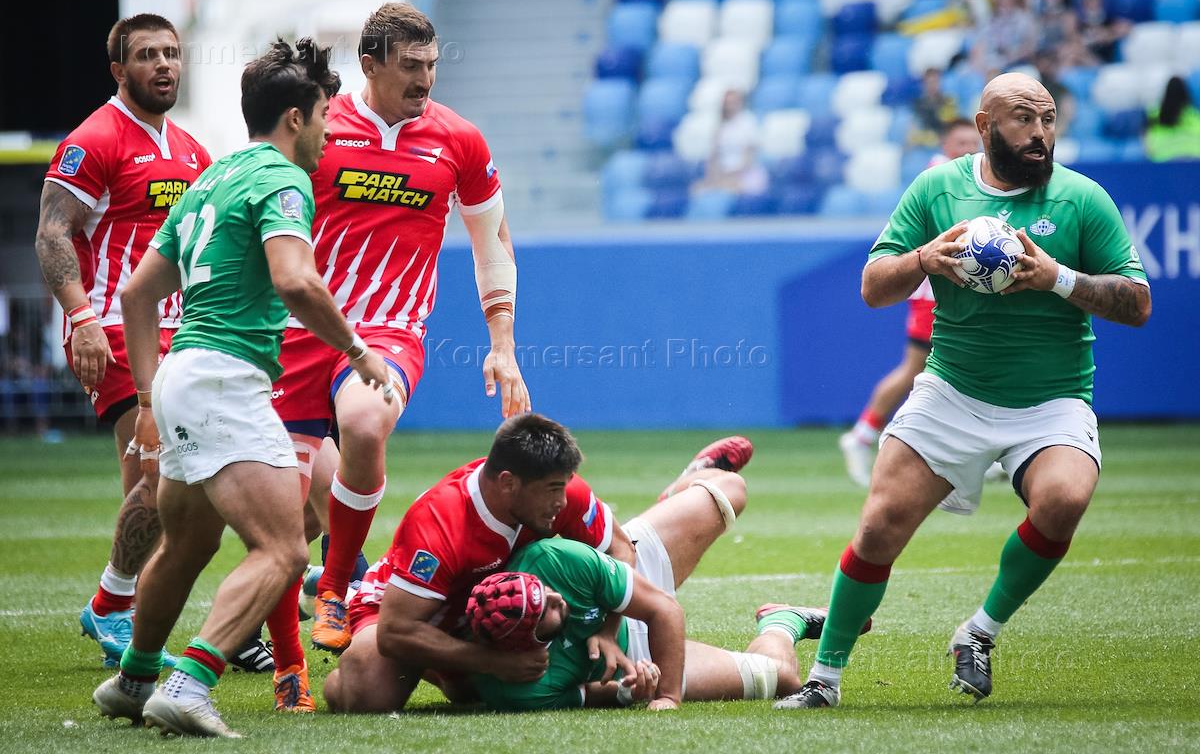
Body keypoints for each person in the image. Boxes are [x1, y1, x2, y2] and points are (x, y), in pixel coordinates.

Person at [779, 72, 1150, 710]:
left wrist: (1057, 279)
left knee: (1064, 499)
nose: (1040, 133)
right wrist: (923, 259)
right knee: (879, 526)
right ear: (984, 126)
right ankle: (824, 680)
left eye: (1048, 119)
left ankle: (978, 631)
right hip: (953, 392)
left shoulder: (1082, 199)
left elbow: (1138, 304)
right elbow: (873, 287)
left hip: (1052, 399)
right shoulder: (936, 189)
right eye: (1023, 120)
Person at [91, 38, 393, 737]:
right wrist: (357, 351)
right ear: (295, 118)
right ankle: (190, 684)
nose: (329, 132)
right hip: (225, 380)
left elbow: (137, 294)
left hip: (180, 375)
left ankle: (135, 679)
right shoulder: (282, 179)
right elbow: (295, 281)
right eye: (324, 116)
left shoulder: (212, 177)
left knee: (188, 545)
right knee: (285, 551)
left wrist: (147, 399)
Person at [263, 2, 531, 658]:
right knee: (279, 520)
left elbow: (492, 244)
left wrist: (502, 346)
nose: (425, 79)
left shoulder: (459, 140)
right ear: (369, 64)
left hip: (389, 331)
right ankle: (283, 667)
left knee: (363, 424)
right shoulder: (318, 127)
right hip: (298, 332)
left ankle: (334, 588)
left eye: (432, 65)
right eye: (410, 65)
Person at [33, 14, 273, 672]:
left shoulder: (192, 150)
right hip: (113, 328)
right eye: (146, 55)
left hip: (184, 334)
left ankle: (199, 608)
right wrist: (82, 318)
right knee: (158, 472)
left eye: (171, 53)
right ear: (119, 70)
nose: (163, 65)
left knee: (191, 476)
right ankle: (116, 606)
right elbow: (52, 234)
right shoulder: (94, 139)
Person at [322, 416, 752, 713]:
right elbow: (397, 631)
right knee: (368, 695)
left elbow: (623, 551)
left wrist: (607, 631)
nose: (563, 502)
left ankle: (686, 484)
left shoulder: (559, 494)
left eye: (565, 488)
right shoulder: (440, 524)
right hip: (411, 612)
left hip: (526, 616)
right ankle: (348, 594)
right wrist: (488, 663)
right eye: (552, 491)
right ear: (508, 484)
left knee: (730, 488)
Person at [467, 452, 865, 711]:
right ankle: (783, 622)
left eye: (546, 592)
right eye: (549, 611)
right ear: (527, 643)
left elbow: (664, 609)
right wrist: (633, 688)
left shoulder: (550, 561)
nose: (557, 599)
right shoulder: (517, 690)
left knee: (732, 488)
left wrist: (668, 697)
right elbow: (589, 695)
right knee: (782, 678)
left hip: (628, 579)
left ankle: (683, 486)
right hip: (640, 654)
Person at [839, 118, 981, 488]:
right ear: (945, 145)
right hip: (935, 293)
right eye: (961, 142)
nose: (968, 149)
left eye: (973, 142)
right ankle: (867, 435)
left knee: (938, 368)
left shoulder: (973, 177)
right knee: (923, 369)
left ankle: (976, 450)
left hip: (954, 288)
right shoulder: (939, 178)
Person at [697, 89, 768, 196]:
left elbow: (748, 160)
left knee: (729, 187)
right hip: (723, 174)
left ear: (741, 103)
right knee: (698, 188)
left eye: (733, 102)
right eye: (727, 103)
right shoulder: (720, 126)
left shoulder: (748, 122)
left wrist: (729, 175)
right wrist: (713, 177)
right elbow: (714, 156)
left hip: (746, 174)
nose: (729, 106)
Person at [1145, 76, 1200, 162]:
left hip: (1163, 160)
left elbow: (1147, 145)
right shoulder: (1195, 115)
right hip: (1193, 161)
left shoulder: (1153, 115)